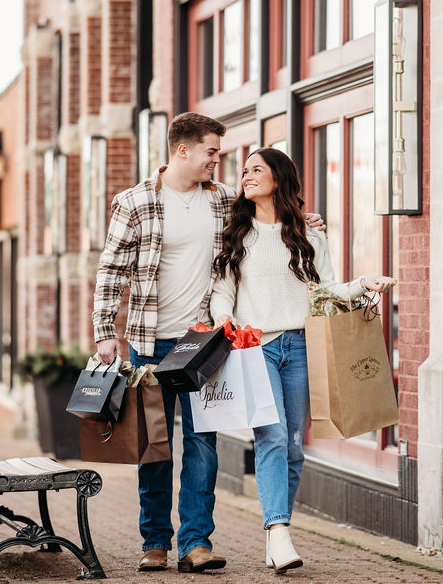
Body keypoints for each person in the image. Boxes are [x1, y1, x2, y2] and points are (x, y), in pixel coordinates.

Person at [93, 111, 324, 573]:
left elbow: (268, 223)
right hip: (148, 343)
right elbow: (110, 271)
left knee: (203, 443)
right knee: (153, 447)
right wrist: (105, 334)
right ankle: (155, 540)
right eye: (212, 152)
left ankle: (195, 542)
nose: (218, 162)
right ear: (184, 150)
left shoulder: (222, 200)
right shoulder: (135, 202)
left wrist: (307, 217)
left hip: (202, 343)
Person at [210, 147, 396, 574]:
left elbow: (326, 290)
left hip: (302, 347)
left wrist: (364, 283)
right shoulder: (238, 234)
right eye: (244, 171)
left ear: (280, 177)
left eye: (257, 169)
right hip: (255, 348)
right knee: (272, 437)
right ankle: (278, 531)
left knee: (293, 447)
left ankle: (277, 535)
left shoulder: (309, 236)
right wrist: (224, 318)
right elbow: (223, 290)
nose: (247, 175)